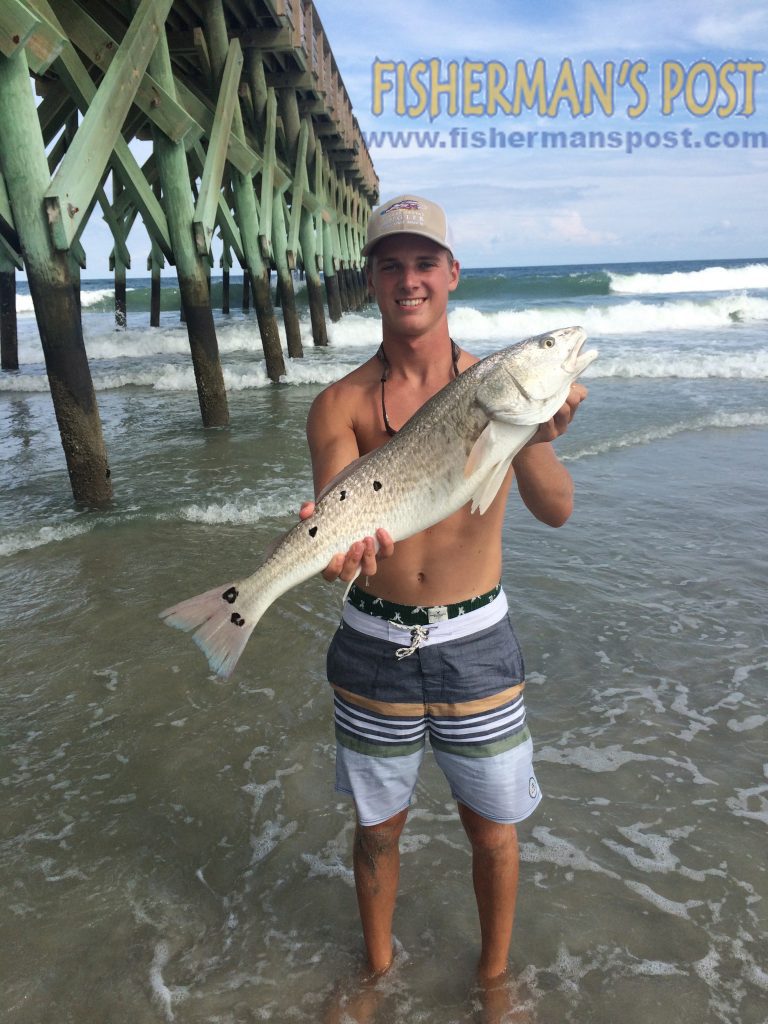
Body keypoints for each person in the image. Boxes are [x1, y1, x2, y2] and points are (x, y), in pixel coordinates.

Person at [302, 195, 587, 986]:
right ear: (371, 281)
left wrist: (529, 431)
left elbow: (557, 510)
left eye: (424, 262)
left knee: (494, 832)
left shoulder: (502, 385)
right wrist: (337, 550)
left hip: (476, 647)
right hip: (372, 647)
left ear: (452, 274)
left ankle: (493, 982)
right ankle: (376, 975)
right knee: (375, 833)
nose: (409, 279)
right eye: (391, 265)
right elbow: (338, 515)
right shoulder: (339, 404)